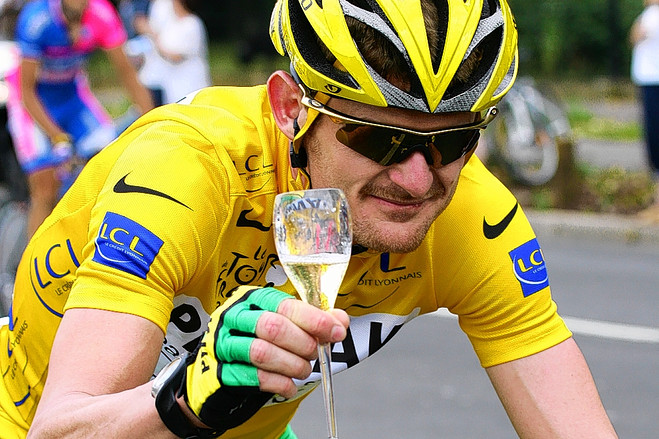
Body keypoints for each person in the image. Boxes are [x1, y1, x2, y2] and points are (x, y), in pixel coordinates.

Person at [0, 0, 619, 438]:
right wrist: (189, 395)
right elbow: (61, 430)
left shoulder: (469, 215)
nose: (416, 180)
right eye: (377, 139)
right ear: (290, 106)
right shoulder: (188, 171)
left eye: (452, 142)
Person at [5, 0, 154, 240]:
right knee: (45, 186)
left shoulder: (101, 13)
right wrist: (57, 136)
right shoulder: (37, 19)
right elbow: (27, 92)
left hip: (72, 96)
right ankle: (31, 260)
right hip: (32, 101)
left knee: (109, 162)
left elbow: (128, 76)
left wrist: (153, 124)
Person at [136, 0, 211, 104]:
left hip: (192, 86)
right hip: (173, 89)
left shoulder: (192, 24)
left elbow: (175, 56)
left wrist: (150, 32)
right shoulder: (172, 26)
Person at [630, 0, 659, 223]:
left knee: (655, 142)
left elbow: (635, 36)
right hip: (649, 82)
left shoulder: (653, 14)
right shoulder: (649, 14)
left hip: (654, 83)